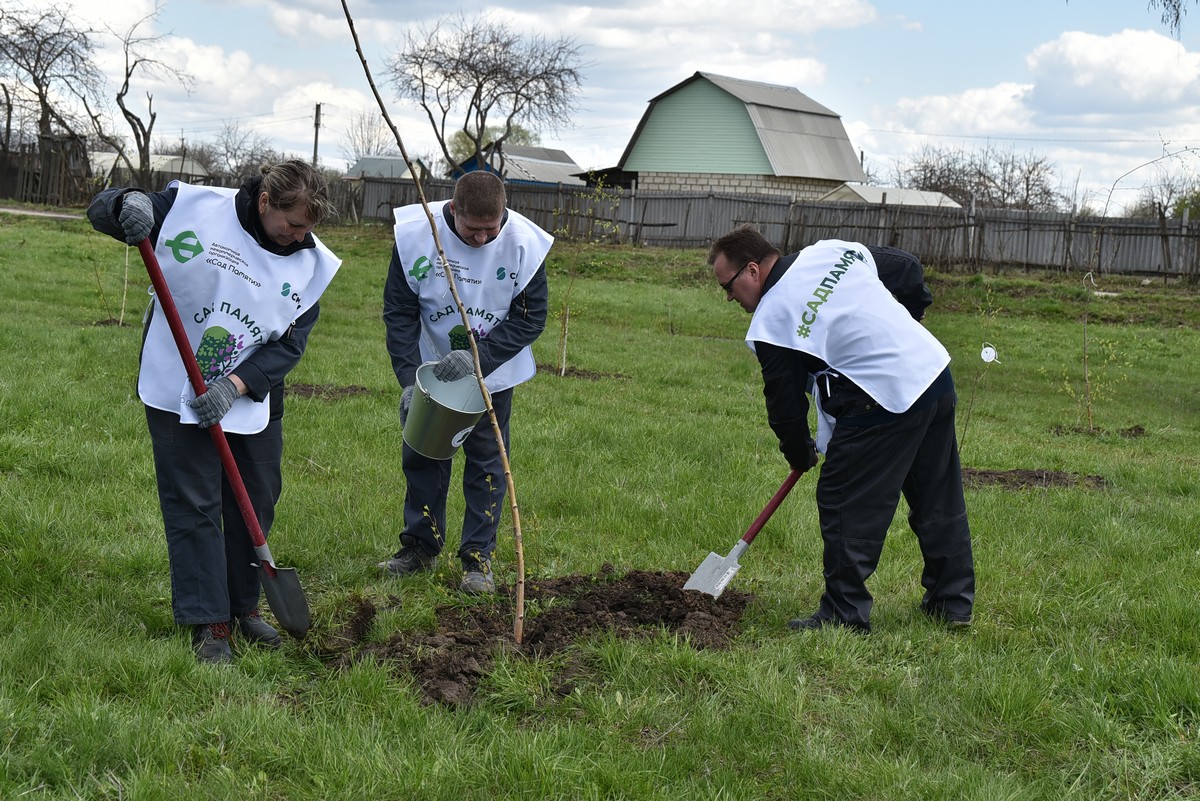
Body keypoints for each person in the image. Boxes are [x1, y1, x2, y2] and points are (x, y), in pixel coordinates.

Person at [87, 160, 341, 663]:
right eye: (292, 225)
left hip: (248, 394)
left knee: (257, 496)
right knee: (195, 501)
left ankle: (245, 607)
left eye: (308, 228)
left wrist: (236, 384)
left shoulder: (312, 264)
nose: (298, 237)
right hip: (175, 377)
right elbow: (101, 208)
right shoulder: (196, 209)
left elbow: (290, 346)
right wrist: (124, 204)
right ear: (265, 202)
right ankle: (210, 622)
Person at [708, 225, 974, 633]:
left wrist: (799, 451)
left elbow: (784, 405)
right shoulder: (830, 252)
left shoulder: (773, 319)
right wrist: (909, 324)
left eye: (728, 286)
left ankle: (844, 614)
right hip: (933, 375)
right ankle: (951, 604)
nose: (728, 298)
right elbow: (906, 268)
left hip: (883, 398)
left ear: (752, 271)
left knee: (844, 498)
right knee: (936, 495)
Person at [379, 171, 552, 595]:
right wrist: (407, 379)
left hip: (492, 373)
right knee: (424, 453)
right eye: (472, 230)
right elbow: (399, 313)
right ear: (453, 210)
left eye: (490, 230)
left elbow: (531, 318)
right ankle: (420, 546)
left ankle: (478, 559)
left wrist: (479, 359)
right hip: (432, 367)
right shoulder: (417, 237)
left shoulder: (524, 245)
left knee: (487, 461)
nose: (480, 239)